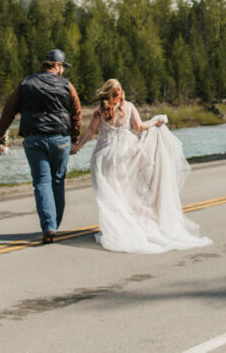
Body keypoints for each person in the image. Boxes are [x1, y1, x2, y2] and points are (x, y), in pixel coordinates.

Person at [71, 79, 211, 254]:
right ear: (119, 92)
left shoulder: (100, 111)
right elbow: (140, 127)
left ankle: (114, 228)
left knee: (110, 193)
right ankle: (128, 226)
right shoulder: (128, 107)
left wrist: (77, 146)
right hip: (126, 154)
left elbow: (90, 132)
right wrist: (156, 122)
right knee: (127, 192)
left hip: (104, 155)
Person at [0, 49, 82, 244]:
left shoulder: (26, 83)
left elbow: (9, 110)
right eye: (63, 67)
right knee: (57, 180)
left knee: (42, 181)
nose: (63, 72)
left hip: (34, 138)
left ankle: (49, 226)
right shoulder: (67, 86)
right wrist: (74, 138)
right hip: (60, 138)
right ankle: (54, 225)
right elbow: (76, 113)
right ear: (57, 65)